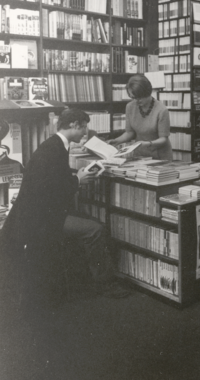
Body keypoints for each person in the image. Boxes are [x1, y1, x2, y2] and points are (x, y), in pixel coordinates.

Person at [0, 109, 128, 309]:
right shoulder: (55, 148)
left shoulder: (54, 145)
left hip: (39, 214)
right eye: (83, 126)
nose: (86, 131)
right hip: (43, 219)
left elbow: (52, 181)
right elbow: (49, 190)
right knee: (96, 229)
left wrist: (76, 177)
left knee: (93, 224)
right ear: (74, 125)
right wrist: (78, 179)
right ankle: (105, 284)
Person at [109, 74, 172, 161]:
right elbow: (129, 132)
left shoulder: (161, 110)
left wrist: (147, 143)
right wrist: (117, 141)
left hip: (160, 156)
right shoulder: (130, 107)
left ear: (147, 92)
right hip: (140, 155)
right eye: (133, 97)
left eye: (139, 97)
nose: (136, 101)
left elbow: (163, 139)